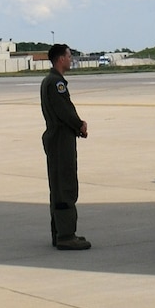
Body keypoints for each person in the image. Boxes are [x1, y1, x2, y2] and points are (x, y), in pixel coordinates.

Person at [39, 43, 92, 248]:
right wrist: (79, 125)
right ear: (61, 59)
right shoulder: (56, 83)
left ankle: (59, 231)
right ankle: (66, 235)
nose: (71, 60)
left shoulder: (49, 80)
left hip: (56, 137)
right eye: (69, 56)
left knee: (58, 185)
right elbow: (64, 110)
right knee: (65, 185)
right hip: (61, 139)